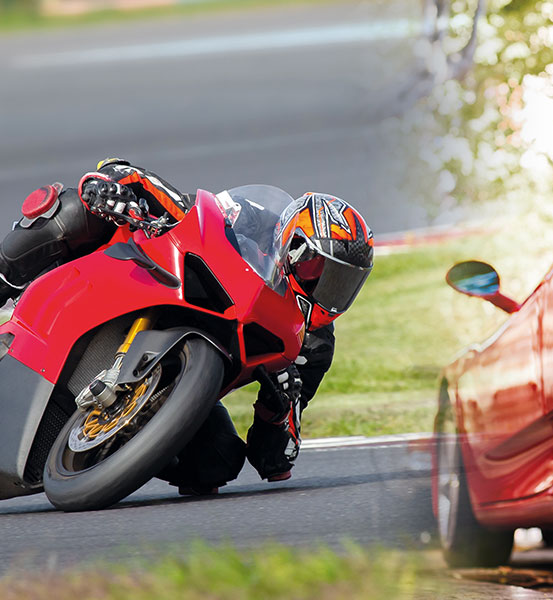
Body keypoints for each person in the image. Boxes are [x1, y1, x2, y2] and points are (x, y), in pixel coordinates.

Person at [0, 159, 374, 493]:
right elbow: (180, 204)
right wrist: (114, 186)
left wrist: (279, 408)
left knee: (217, 462)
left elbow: (274, 461)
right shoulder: (255, 219)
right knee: (68, 209)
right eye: (320, 272)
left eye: (344, 283)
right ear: (293, 248)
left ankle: (113, 454)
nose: (329, 291)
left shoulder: (314, 345)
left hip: (182, 377)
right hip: (155, 280)